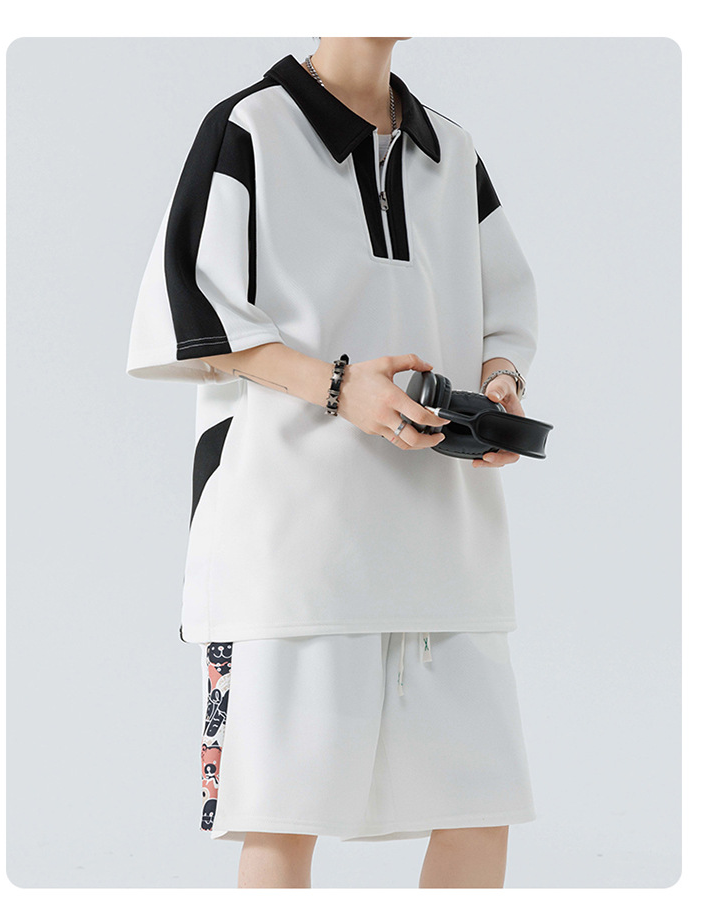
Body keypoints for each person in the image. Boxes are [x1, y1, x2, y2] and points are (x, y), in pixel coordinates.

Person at [126, 36, 540, 889]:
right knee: (281, 818)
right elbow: (194, 312)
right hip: (290, 544)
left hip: (444, 542)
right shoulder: (250, 128)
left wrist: (501, 383)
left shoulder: (450, 149)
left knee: (479, 809)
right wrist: (341, 388)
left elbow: (505, 305)